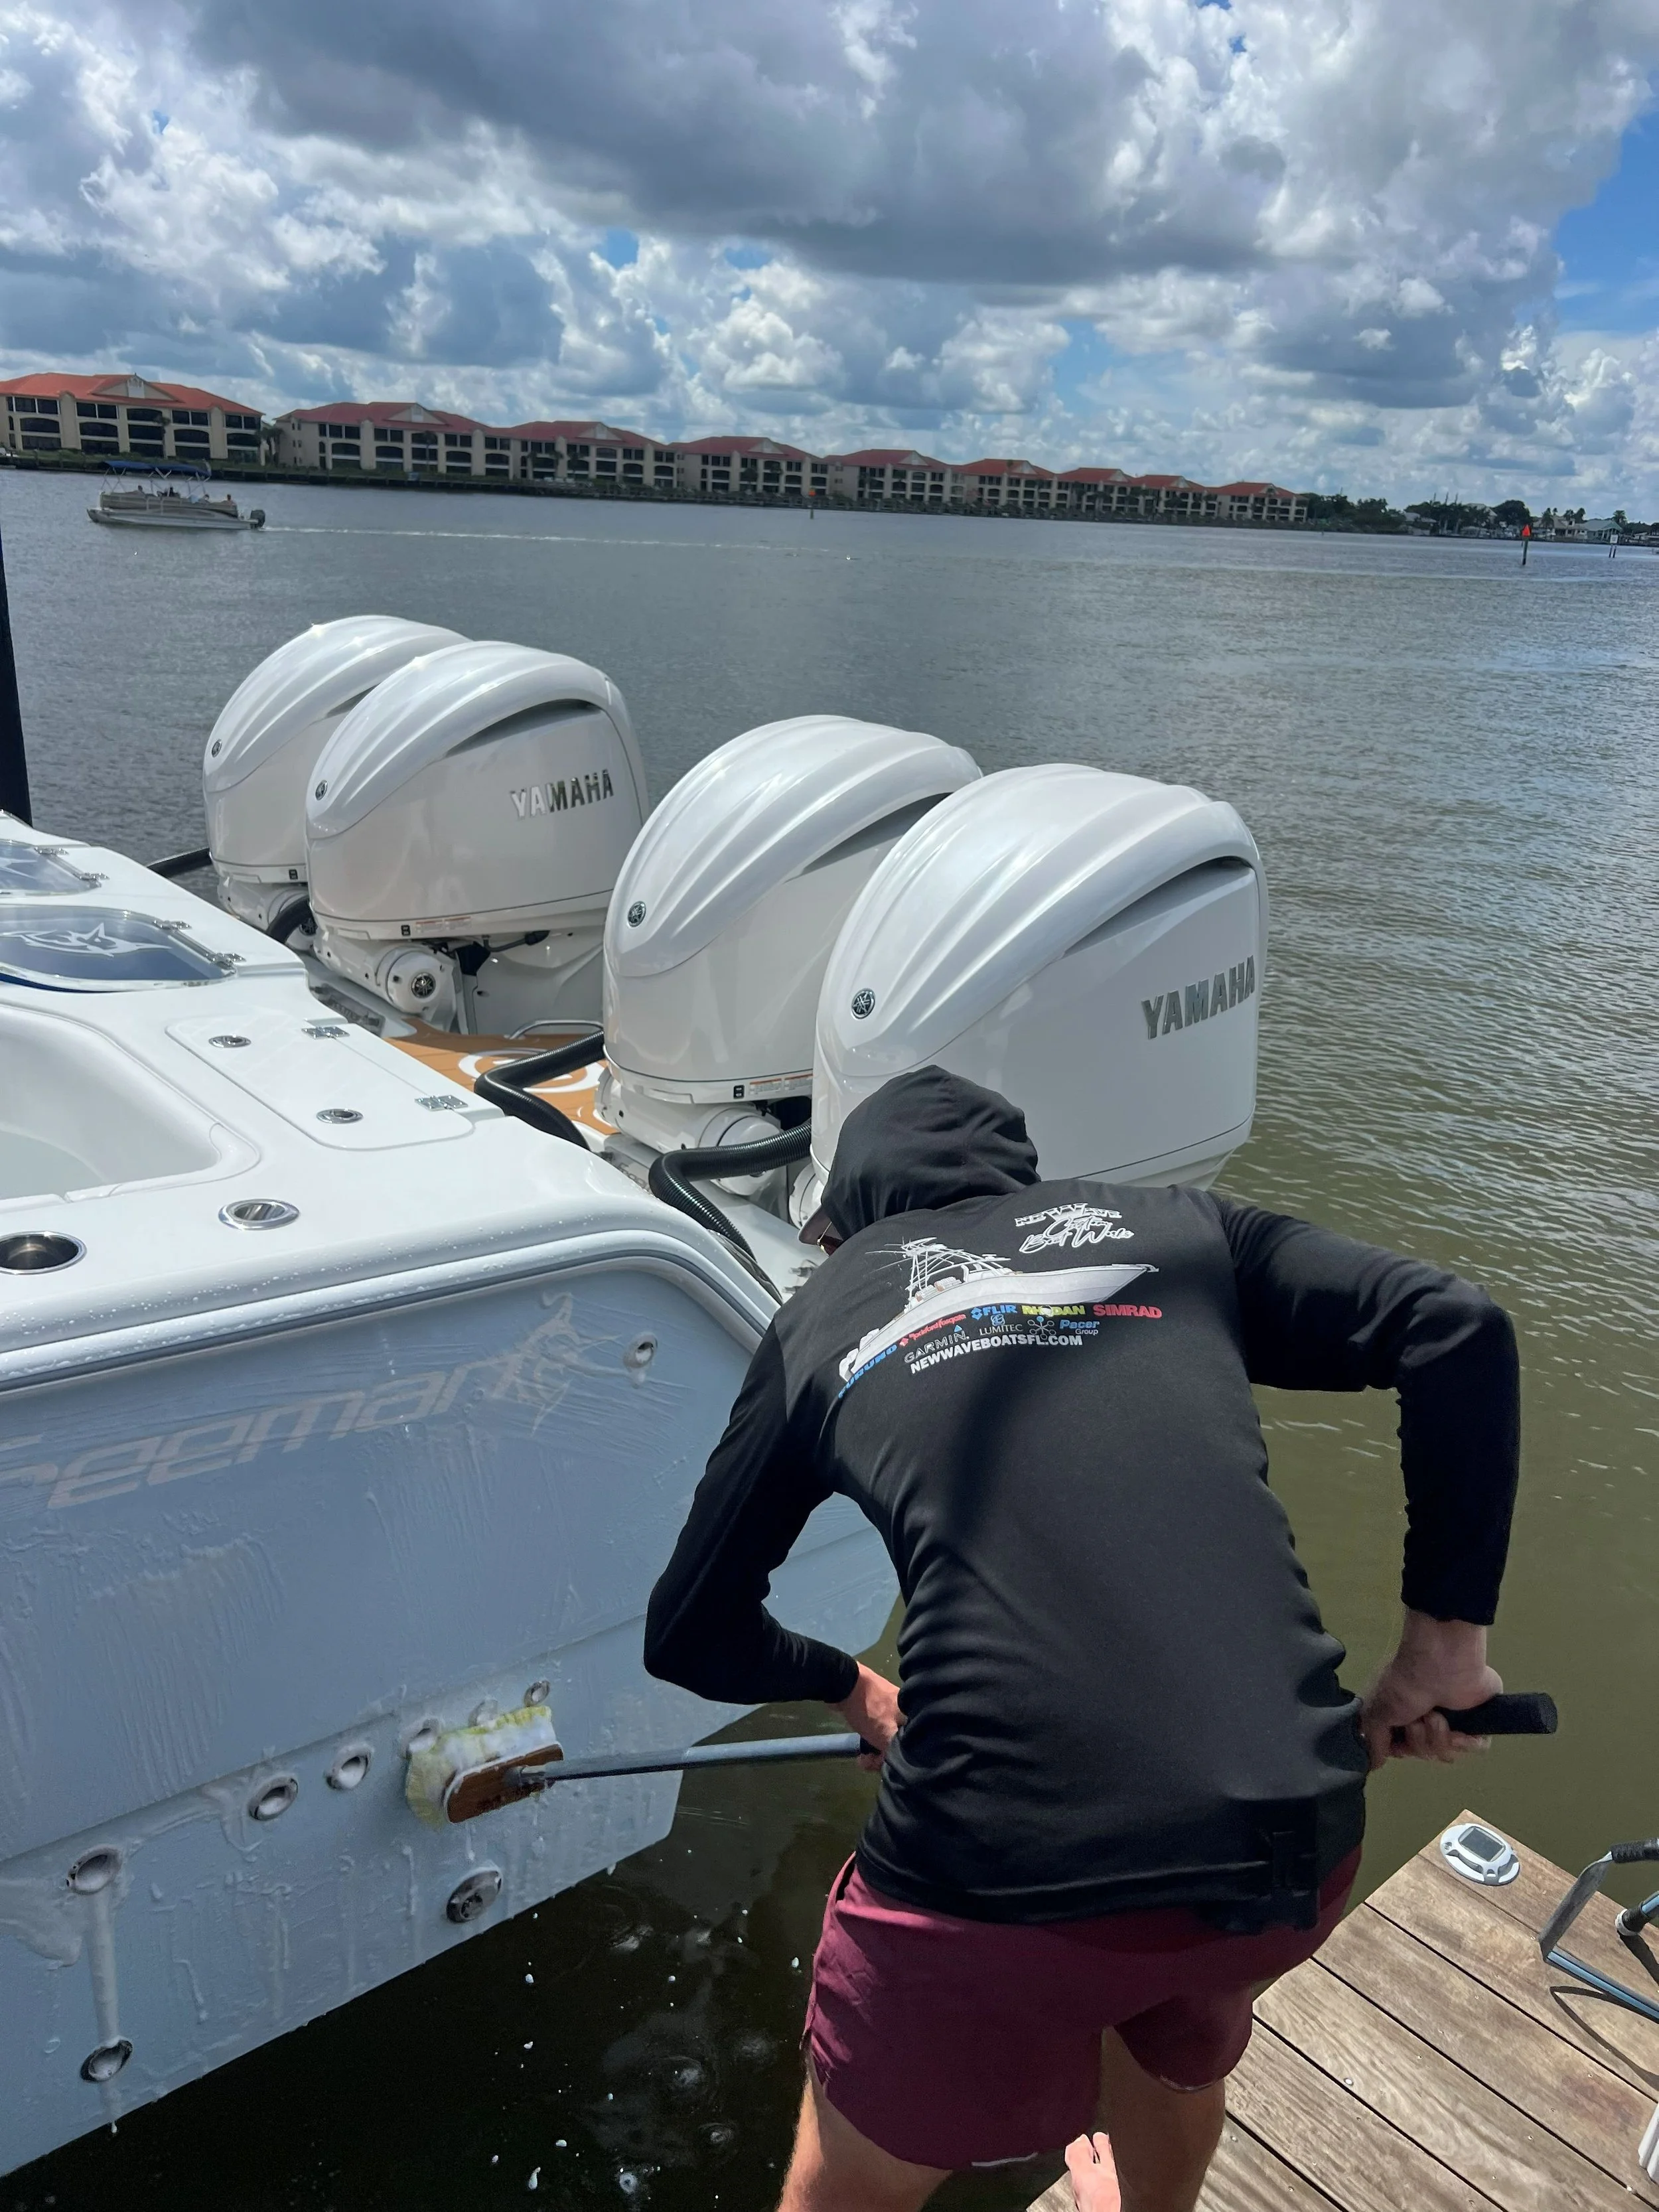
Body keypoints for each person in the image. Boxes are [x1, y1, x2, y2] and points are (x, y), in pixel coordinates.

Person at [644, 1067, 1519, 2212]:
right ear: (1022, 1183)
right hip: (1289, 1840)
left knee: (850, 2180)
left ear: (847, 1220)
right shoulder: (1172, 1227)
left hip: (989, 1873)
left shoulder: (826, 1310)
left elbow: (692, 1633)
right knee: (1175, 2017)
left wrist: (851, 1685)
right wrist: (1442, 1649)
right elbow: (1455, 1329)